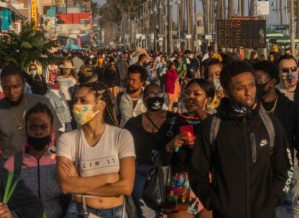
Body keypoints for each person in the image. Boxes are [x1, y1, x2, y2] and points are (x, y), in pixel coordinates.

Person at [189, 60, 292, 218]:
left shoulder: (269, 124)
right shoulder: (212, 127)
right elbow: (197, 173)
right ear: (226, 91)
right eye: (240, 88)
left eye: (252, 85)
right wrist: (214, 202)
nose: (248, 92)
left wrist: (273, 198)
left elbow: (285, 168)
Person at [57, 81, 135, 218]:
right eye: (75, 100)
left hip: (115, 212)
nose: (76, 105)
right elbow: (66, 185)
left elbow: (126, 187)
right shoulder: (67, 139)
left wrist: (79, 183)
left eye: (83, 100)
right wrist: (109, 177)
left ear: (100, 105)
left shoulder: (121, 136)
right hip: (79, 211)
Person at [253, 61, 299, 218]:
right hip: (257, 178)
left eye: (259, 83)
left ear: (272, 82)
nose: (254, 88)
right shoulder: (249, 110)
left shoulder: (293, 109)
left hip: (288, 175)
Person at [162, 79, 215, 218]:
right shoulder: (173, 121)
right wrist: (170, 145)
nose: (190, 97)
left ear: (208, 100)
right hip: (180, 183)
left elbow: (222, 152)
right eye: (187, 93)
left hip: (209, 182)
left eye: (196, 94)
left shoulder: (215, 124)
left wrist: (199, 147)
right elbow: (162, 157)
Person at [0, 64, 60, 163]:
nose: (12, 92)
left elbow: (57, 137)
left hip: (40, 166)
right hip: (9, 171)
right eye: (6, 88)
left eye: (16, 86)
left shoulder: (42, 102)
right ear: (1, 86)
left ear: (24, 84)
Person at [4, 103, 66, 218]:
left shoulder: (59, 161)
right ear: (26, 128)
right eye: (33, 127)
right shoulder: (13, 163)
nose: (38, 132)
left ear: (51, 128)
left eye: (43, 127)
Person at [125, 83, 178, 218]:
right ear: (144, 98)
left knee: (173, 212)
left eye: (159, 94)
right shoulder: (132, 124)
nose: (156, 98)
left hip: (171, 175)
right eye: (151, 94)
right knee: (145, 213)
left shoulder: (175, 120)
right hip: (142, 175)